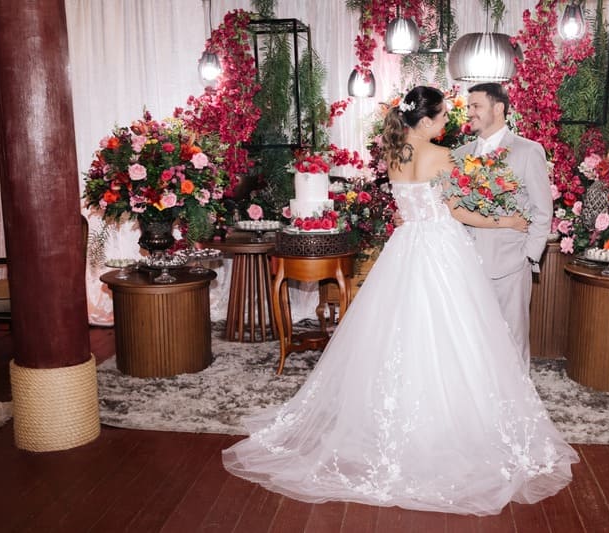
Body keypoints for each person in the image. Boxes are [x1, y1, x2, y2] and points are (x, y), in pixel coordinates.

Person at [222, 86, 578, 516]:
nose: (448, 123)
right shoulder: (442, 156)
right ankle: (452, 425)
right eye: (442, 117)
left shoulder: (395, 155)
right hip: (442, 251)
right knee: (455, 336)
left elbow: (412, 205)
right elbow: (458, 211)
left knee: (403, 335)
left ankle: (395, 419)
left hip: (407, 248)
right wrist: (507, 221)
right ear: (425, 121)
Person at [454, 82, 554, 363]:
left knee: (512, 339)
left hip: (510, 262)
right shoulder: (460, 155)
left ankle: (517, 391)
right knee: (471, 338)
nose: (469, 112)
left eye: (476, 106)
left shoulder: (528, 151)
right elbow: (452, 206)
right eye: (469, 106)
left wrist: (528, 255)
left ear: (498, 108)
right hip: (465, 262)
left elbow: (542, 210)